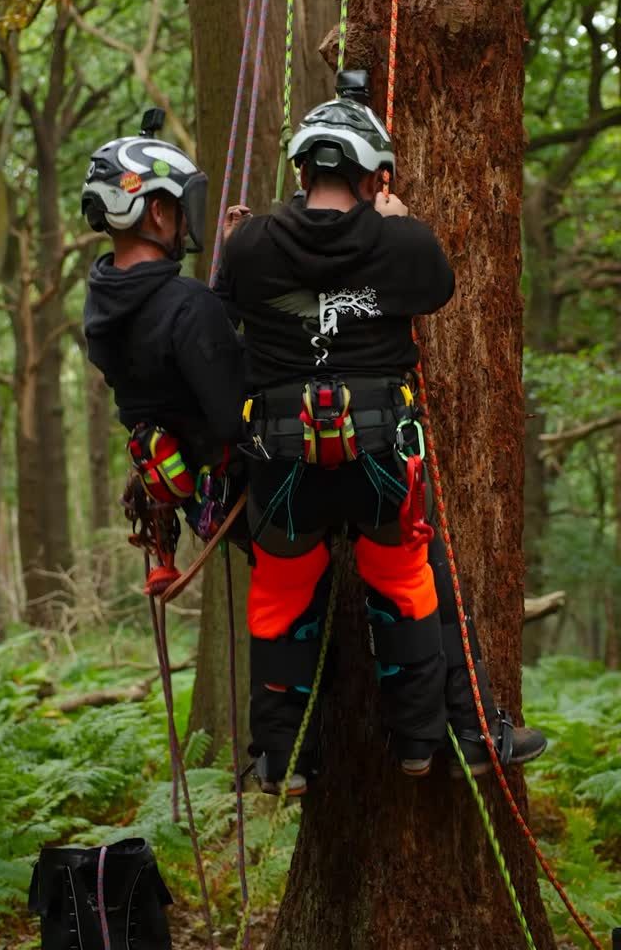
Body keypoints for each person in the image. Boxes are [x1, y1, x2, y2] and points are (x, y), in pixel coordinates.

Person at [217, 88, 547, 795]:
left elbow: (227, 299)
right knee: (403, 583)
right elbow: (435, 291)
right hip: (379, 456)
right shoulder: (401, 239)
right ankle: (420, 745)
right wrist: (399, 220)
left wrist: (243, 241)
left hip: (281, 461)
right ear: (374, 177)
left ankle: (282, 758)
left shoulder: (250, 242)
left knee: (281, 591)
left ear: (303, 171)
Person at [82, 115, 245, 553]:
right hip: (246, 495)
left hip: (195, 495)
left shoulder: (101, 305)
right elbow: (232, 417)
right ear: (157, 211)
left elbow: (186, 344)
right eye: (176, 208)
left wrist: (226, 273)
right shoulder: (185, 304)